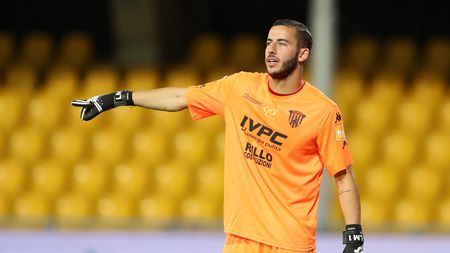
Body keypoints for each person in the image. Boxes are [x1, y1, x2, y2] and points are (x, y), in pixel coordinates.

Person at [72, 19, 364, 253]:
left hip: (290, 243)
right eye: (268, 42)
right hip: (240, 238)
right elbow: (179, 96)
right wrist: (117, 98)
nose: (271, 50)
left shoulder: (322, 111)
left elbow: (343, 175)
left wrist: (353, 234)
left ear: (303, 54)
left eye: (282, 43)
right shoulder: (239, 87)